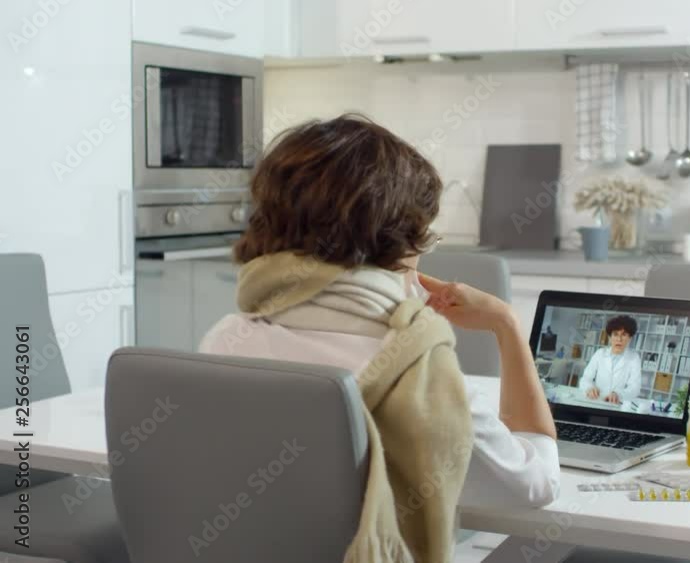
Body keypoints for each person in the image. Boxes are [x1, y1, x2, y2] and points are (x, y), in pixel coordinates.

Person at [199, 115, 559, 562]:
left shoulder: (223, 344)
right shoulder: (422, 374)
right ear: (400, 239)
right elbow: (537, 484)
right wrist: (506, 324)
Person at [578, 315, 642, 405]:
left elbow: (635, 388)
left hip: (618, 403)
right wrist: (589, 388)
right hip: (596, 400)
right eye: (615, 334)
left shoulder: (634, 358)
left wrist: (618, 394)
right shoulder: (600, 353)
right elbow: (585, 379)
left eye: (624, 335)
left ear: (630, 338)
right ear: (609, 337)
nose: (619, 339)